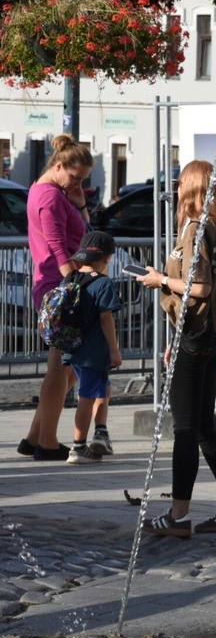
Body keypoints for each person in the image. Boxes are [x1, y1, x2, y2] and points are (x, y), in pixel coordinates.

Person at [137, 160, 216, 537]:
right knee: (204, 428)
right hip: (210, 334)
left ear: (190, 188)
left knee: (185, 429)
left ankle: (177, 515)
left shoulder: (196, 229)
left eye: (181, 182)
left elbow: (197, 288)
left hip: (198, 336)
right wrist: (175, 339)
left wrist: (159, 279)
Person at [20, 135, 93, 462]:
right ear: (58, 165)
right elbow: (56, 245)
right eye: (74, 177)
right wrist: (72, 281)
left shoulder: (47, 190)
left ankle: (36, 436)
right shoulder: (49, 196)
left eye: (82, 180)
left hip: (55, 284)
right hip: (58, 286)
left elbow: (82, 233)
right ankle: (46, 442)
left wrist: (79, 203)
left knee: (67, 367)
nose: (76, 183)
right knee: (61, 366)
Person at [61, 232, 123, 465]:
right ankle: (77, 448)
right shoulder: (103, 283)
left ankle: (101, 433)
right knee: (86, 396)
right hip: (94, 351)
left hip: (73, 350)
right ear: (107, 258)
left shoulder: (69, 278)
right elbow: (106, 318)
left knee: (103, 388)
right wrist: (114, 350)